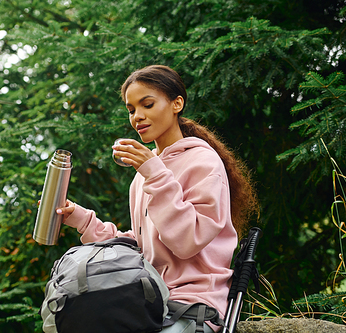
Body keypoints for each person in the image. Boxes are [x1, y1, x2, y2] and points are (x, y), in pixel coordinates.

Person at [55, 65, 258, 333]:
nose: (137, 116)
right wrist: (83, 221)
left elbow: (188, 242)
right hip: (150, 301)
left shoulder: (203, 162)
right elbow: (142, 248)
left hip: (195, 305)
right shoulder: (143, 176)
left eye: (147, 104)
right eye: (131, 110)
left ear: (177, 104)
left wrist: (154, 174)